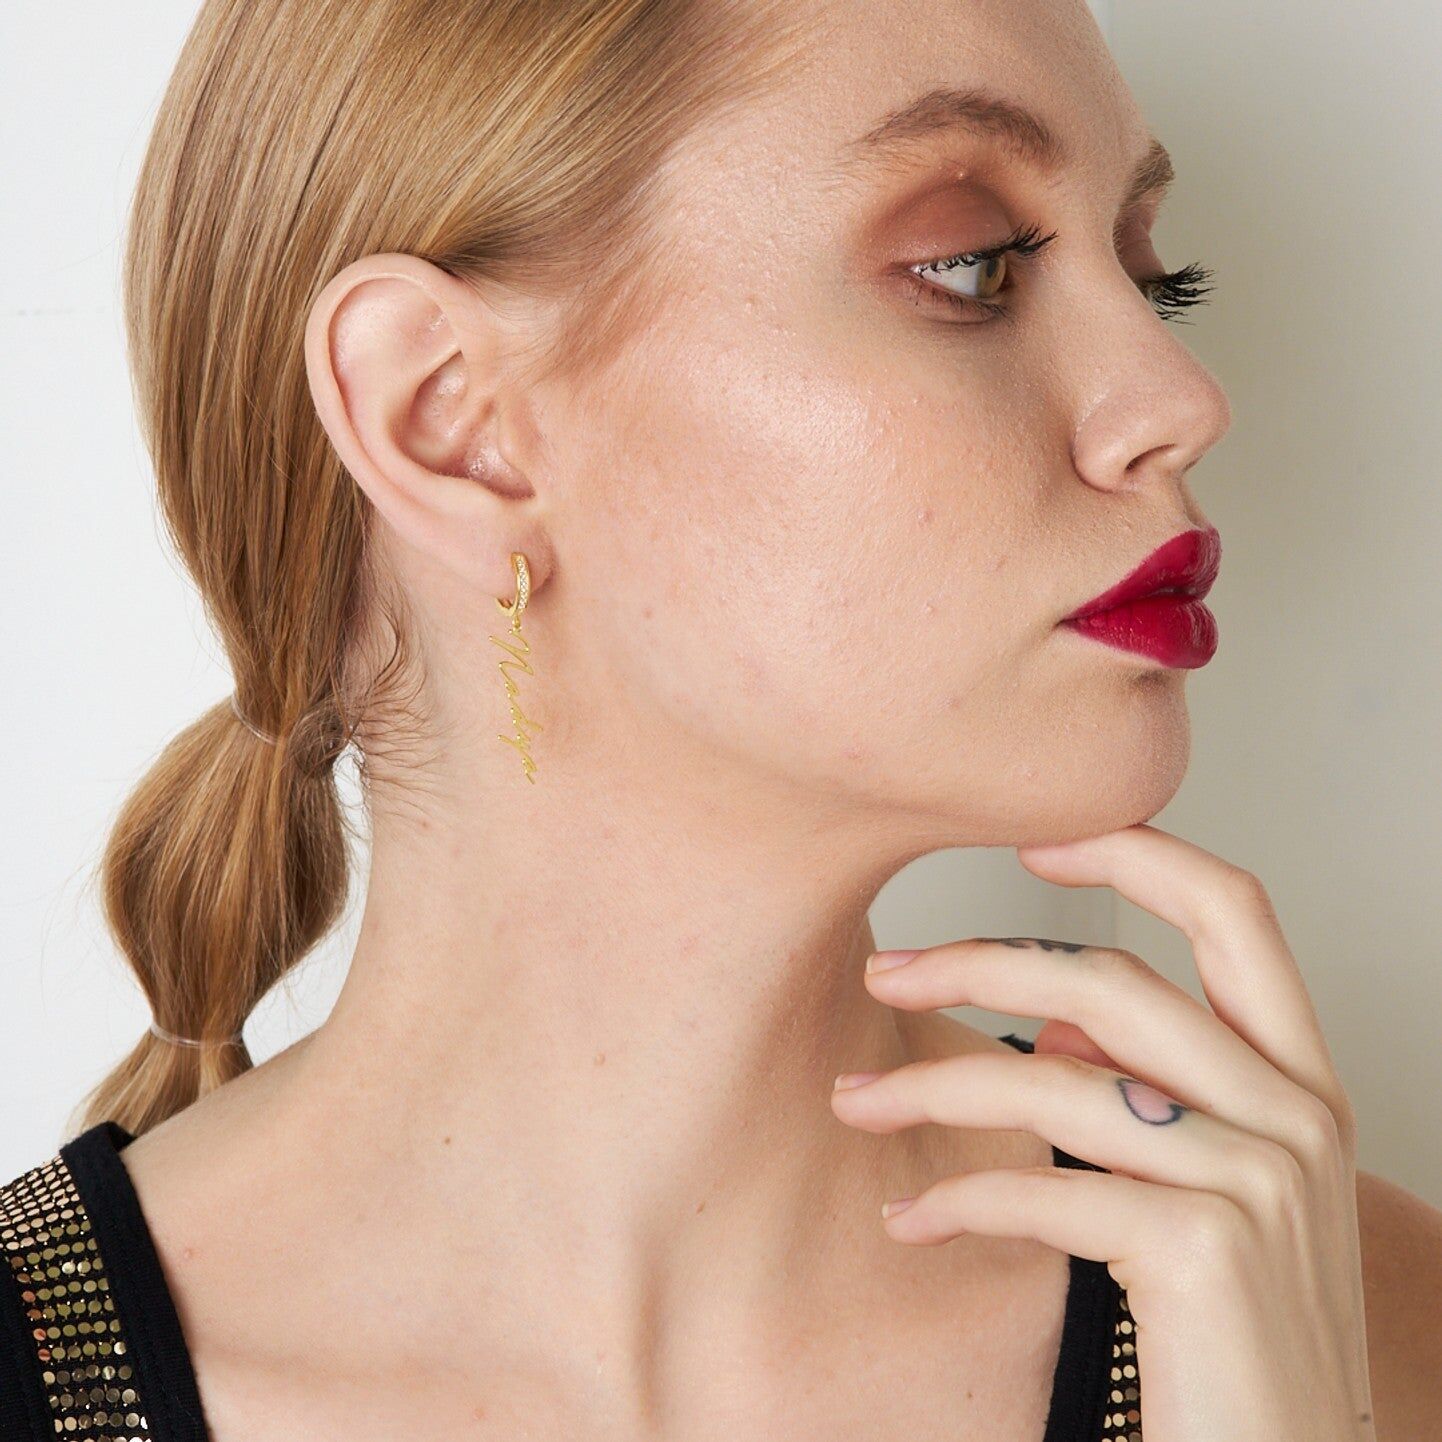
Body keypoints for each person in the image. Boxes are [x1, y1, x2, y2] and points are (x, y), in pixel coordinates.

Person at [2, 0, 1439, 1438]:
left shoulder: (1343, 1323)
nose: (1180, 401)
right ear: (451, 420)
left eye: (1154, 282)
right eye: (972, 266)